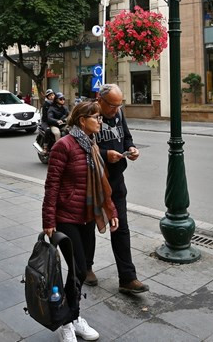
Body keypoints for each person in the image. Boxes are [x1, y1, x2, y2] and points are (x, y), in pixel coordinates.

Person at [43, 100, 117, 342]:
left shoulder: (92, 145)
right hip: (66, 217)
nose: (100, 120)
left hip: (87, 216)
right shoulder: (64, 146)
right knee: (76, 271)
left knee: (83, 269)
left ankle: (74, 318)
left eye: (99, 117)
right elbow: (52, 185)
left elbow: (102, 184)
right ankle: (66, 321)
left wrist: (111, 211)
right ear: (82, 121)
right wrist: (48, 220)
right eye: (95, 117)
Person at [87, 83, 148, 295]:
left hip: (116, 180)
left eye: (119, 105)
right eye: (112, 106)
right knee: (89, 225)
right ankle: (86, 267)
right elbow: (82, 146)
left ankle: (127, 277)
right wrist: (105, 155)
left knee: (120, 227)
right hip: (93, 180)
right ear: (99, 100)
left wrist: (131, 148)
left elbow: (127, 137)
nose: (116, 110)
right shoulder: (89, 114)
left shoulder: (119, 113)